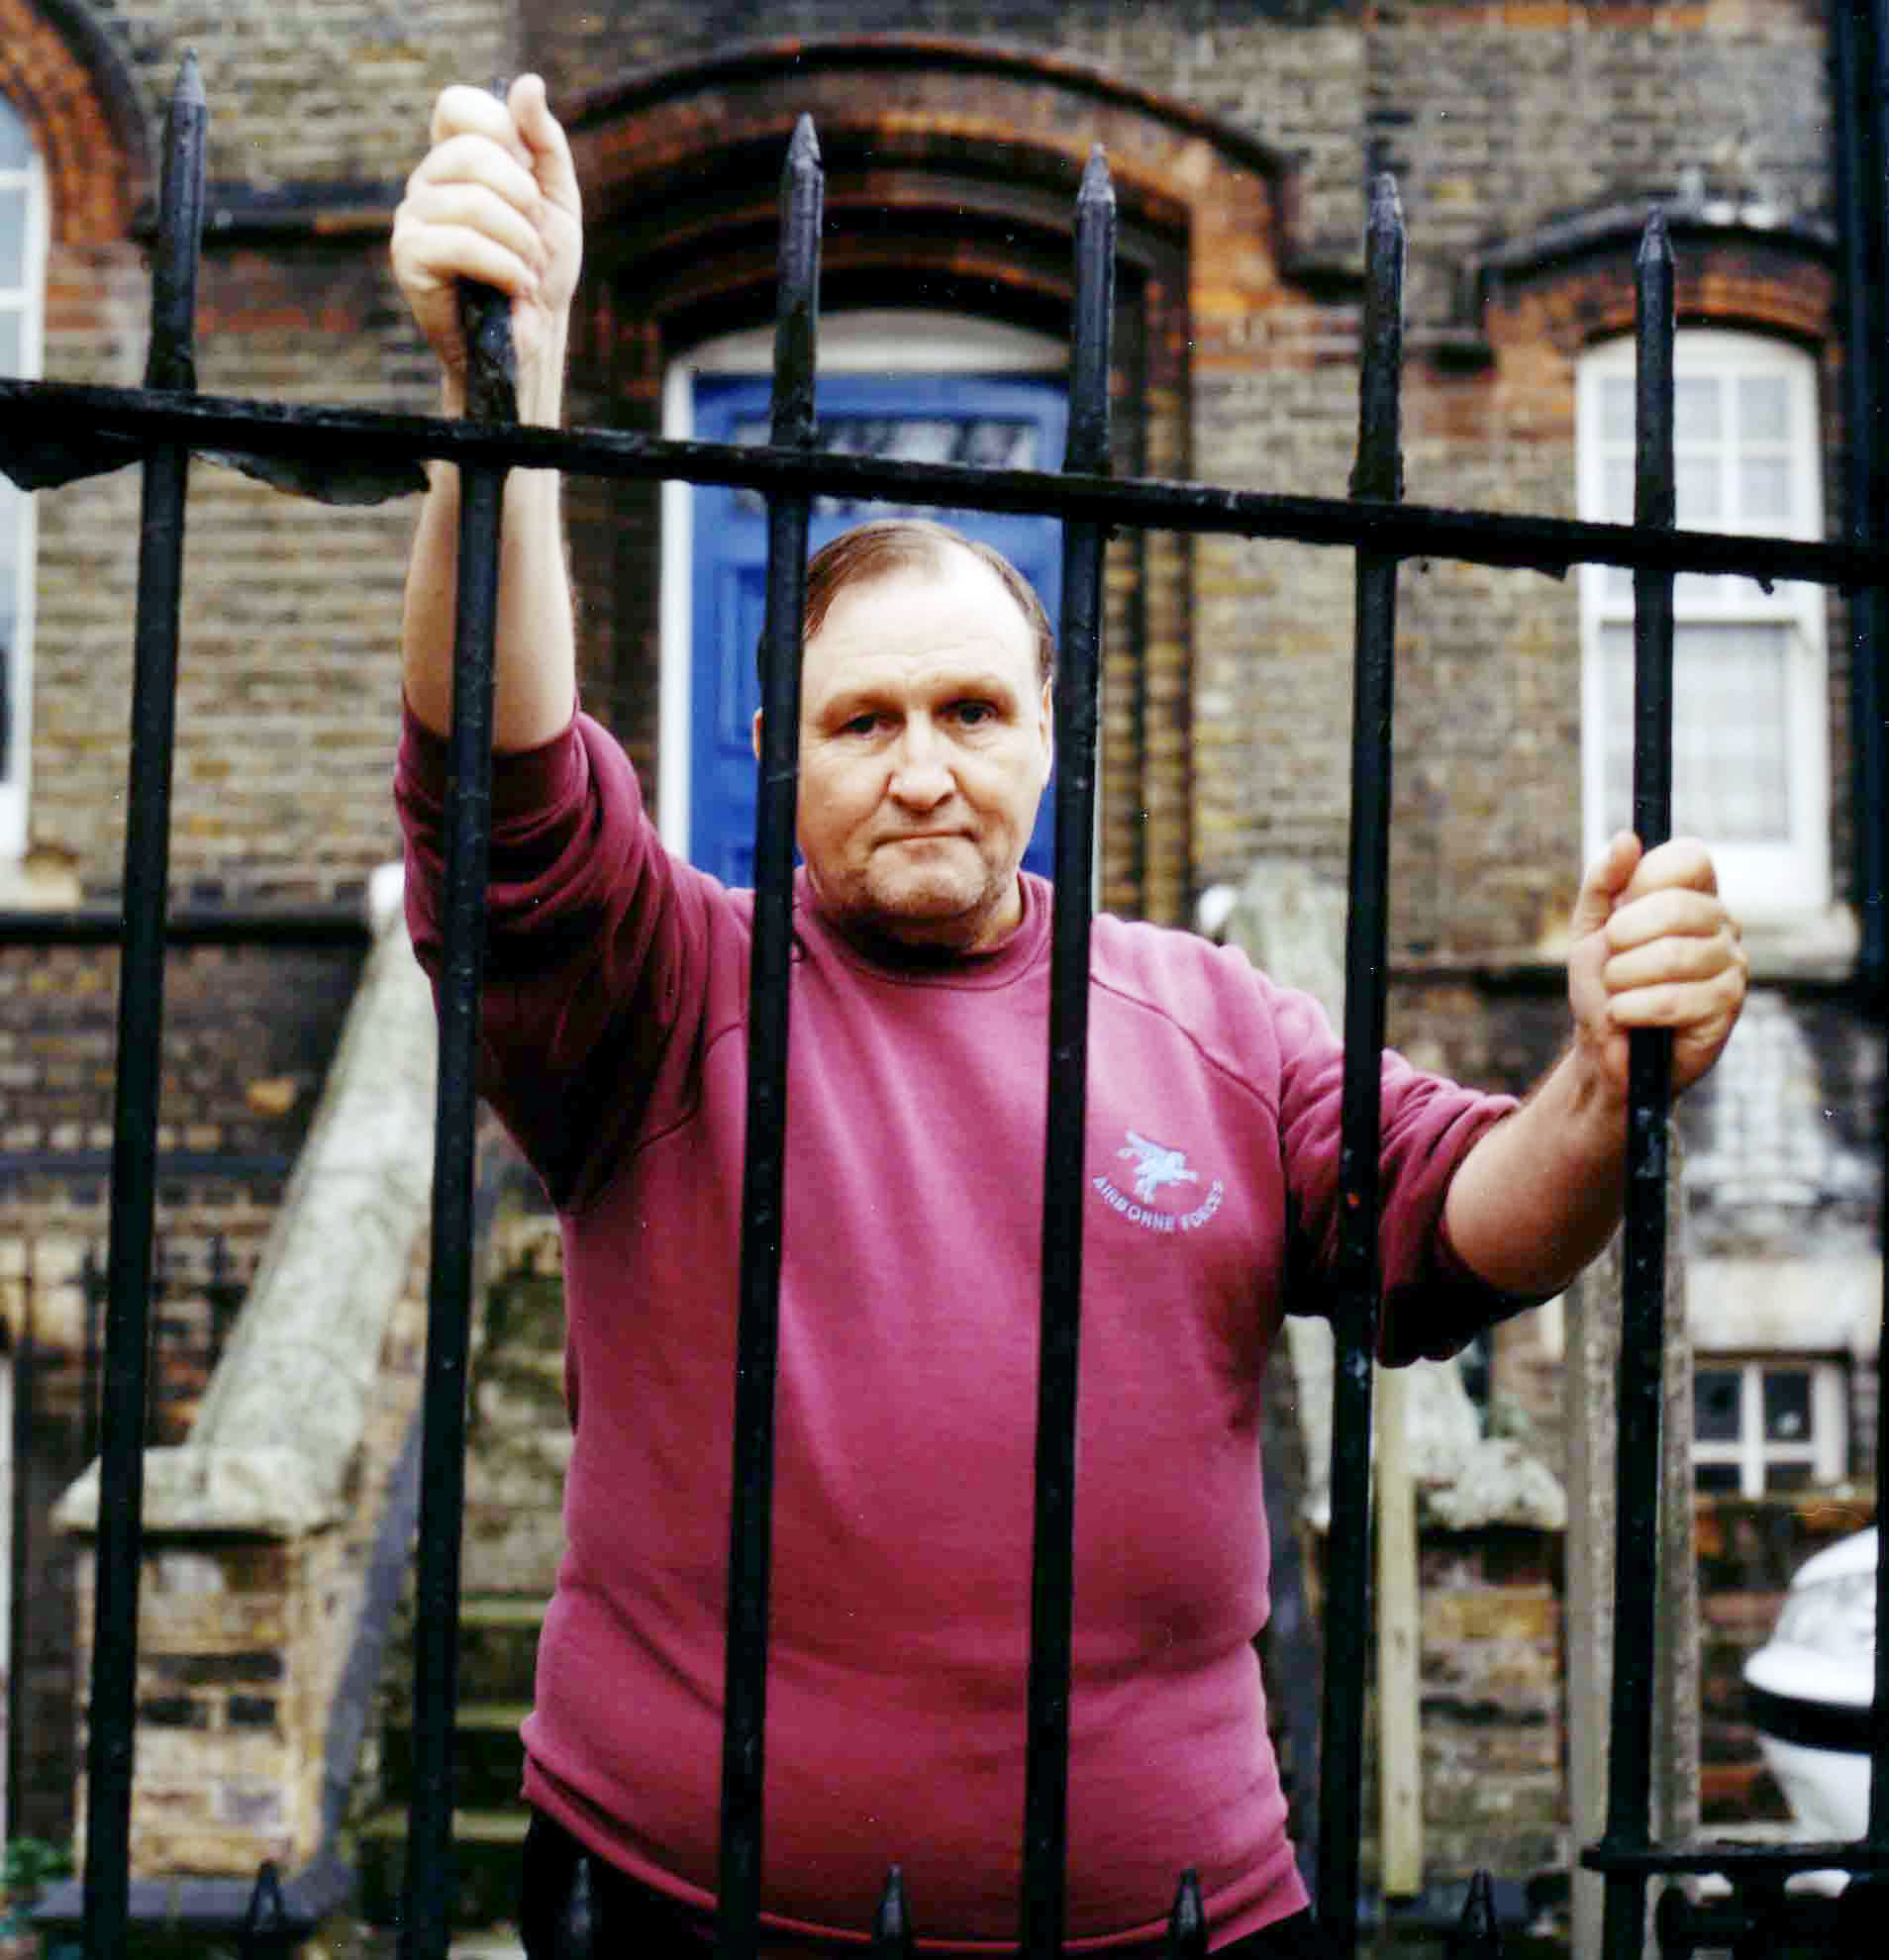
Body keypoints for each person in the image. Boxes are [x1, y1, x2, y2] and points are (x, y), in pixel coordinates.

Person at [389, 79, 1748, 1960]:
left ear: (1049, 734)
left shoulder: (1207, 1020)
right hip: (690, 1901)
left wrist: (1600, 1083)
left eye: (970, 712)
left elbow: (1457, 1232)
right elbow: (508, 800)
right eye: (863, 723)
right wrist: (502, 406)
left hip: (1173, 1916)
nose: (921, 769)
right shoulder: (663, 990)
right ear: (777, 752)